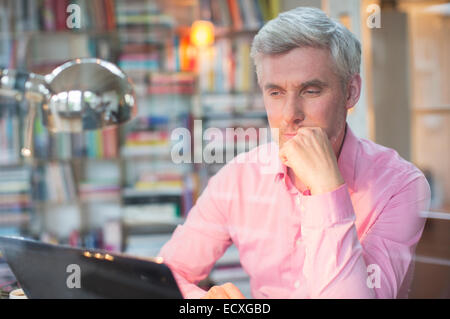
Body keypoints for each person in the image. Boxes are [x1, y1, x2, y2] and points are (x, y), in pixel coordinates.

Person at [158, 7, 431, 299]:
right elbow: (164, 277)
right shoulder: (238, 178)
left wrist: (327, 188)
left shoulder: (400, 186)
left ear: (350, 92)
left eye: (311, 91)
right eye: (275, 93)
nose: (289, 116)